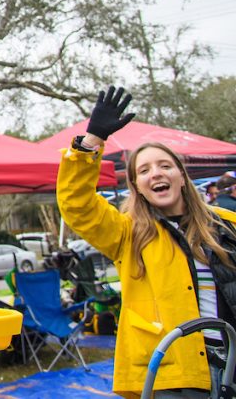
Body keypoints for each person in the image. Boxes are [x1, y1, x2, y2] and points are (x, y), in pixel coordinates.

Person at [57, 86, 236, 397]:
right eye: (144, 170)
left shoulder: (225, 223)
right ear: (137, 186)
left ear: (181, 175)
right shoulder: (126, 234)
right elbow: (77, 205)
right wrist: (92, 141)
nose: (156, 173)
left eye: (165, 166)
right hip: (175, 374)